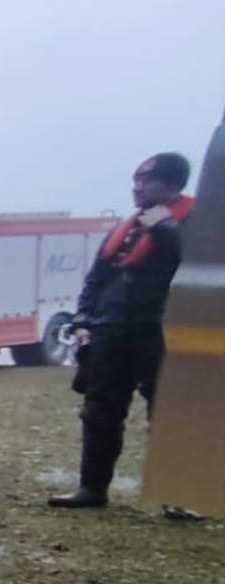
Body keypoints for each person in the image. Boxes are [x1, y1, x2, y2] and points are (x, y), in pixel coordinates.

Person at [51, 153, 195, 508]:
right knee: (99, 411)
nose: (137, 187)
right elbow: (96, 280)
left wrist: (165, 228)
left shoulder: (196, 223)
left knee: (170, 414)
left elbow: (199, 268)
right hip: (111, 331)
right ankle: (92, 488)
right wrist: (82, 320)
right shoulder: (126, 228)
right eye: (135, 180)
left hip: (162, 333)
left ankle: (179, 497)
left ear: (172, 184)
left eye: (146, 180)